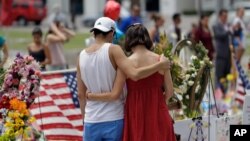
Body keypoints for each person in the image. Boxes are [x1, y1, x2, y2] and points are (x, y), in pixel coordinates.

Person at [77, 17, 170, 141]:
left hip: (92, 119)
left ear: (94, 33)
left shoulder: (81, 56)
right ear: (111, 33)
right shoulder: (114, 50)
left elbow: (80, 94)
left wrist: (86, 115)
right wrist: (159, 65)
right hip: (114, 117)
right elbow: (135, 75)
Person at [213, 9, 231, 94]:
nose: (225, 18)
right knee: (219, 76)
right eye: (224, 16)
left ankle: (225, 93)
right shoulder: (216, 26)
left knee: (227, 76)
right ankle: (218, 94)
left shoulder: (227, 25)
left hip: (228, 55)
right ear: (220, 16)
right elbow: (219, 35)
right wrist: (228, 31)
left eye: (226, 16)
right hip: (220, 55)